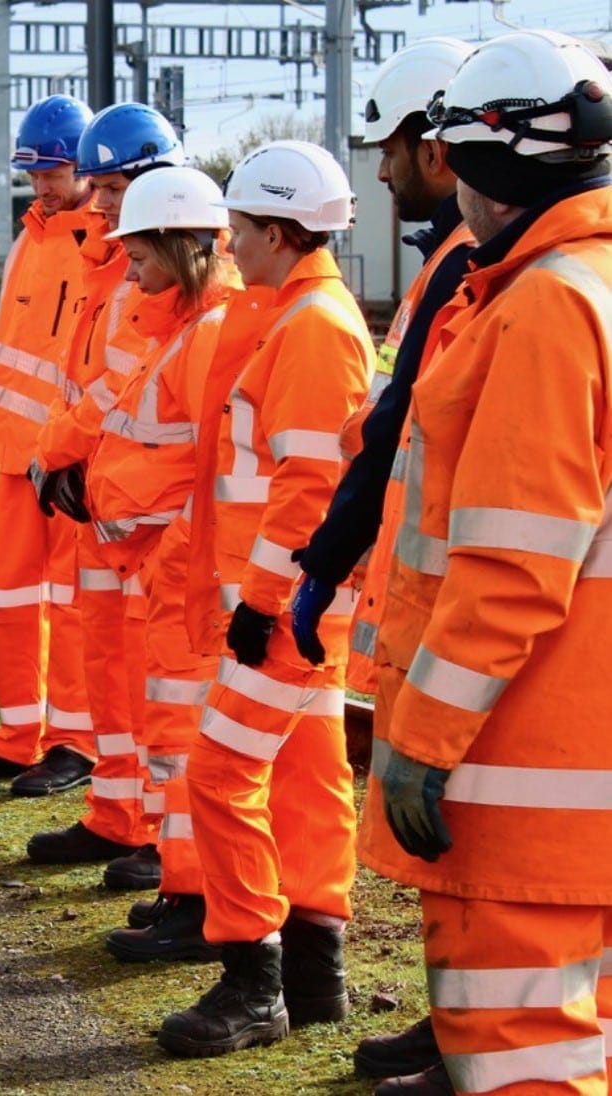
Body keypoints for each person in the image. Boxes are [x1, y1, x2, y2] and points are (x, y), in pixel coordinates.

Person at [358, 30, 612, 1095]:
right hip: (579, 760)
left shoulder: (548, 307)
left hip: (523, 773)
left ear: (488, 164)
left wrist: (418, 734)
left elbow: (512, 563)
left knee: (521, 1058)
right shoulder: (583, 285)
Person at [283, 37, 475, 1096]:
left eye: (391, 149)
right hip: (430, 576)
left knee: (475, 830)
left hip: (457, 589)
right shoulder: (453, 263)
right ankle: (457, 1023)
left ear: (437, 147)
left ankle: (480, 1036)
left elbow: (390, 423)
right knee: (452, 837)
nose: (383, 171)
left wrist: (324, 558)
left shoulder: (472, 269)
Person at [157, 140, 374, 1058]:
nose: (230, 245)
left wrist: (259, 600)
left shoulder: (311, 329)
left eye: (241, 229)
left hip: (287, 609)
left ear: (282, 231)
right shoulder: (302, 314)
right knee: (310, 771)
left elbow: (310, 488)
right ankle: (316, 972)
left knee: (218, 773)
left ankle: (253, 982)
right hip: (298, 603)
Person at [19, 103, 188, 866]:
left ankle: (160, 831)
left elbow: (114, 390)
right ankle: (118, 812)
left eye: (114, 186)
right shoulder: (114, 269)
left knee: (154, 679)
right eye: (97, 186)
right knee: (109, 668)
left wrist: (55, 449)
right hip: (104, 501)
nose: (102, 202)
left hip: (142, 511)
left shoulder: (158, 282)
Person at [0, 95, 99, 797]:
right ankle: (16, 735)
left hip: (67, 461)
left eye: (54, 172)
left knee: (69, 604)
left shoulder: (106, 242)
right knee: (7, 599)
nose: (42, 185)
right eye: (32, 174)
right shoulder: (31, 239)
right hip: (13, 455)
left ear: (87, 167)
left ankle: (74, 742)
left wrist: (74, 449)